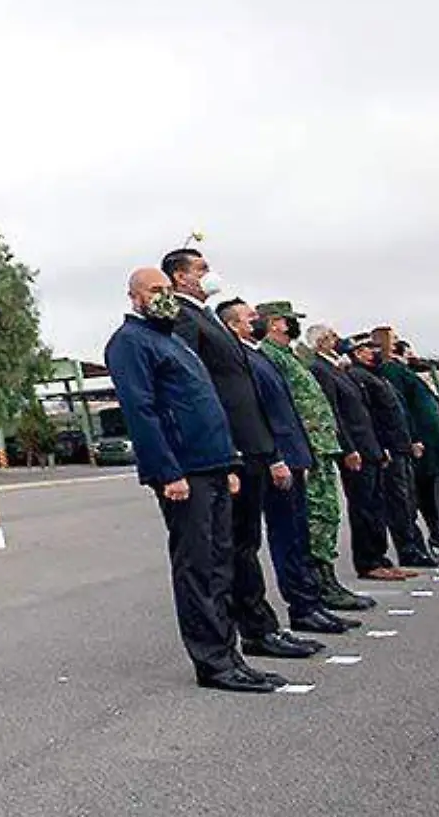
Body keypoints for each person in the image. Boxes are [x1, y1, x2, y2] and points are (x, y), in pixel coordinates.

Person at [105, 268, 288, 692]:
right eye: (155, 290)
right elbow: (142, 411)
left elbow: (204, 404)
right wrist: (168, 471)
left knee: (221, 563)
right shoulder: (130, 343)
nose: (164, 296)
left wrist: (227, 465)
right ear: (134, 298)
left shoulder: (172, 341)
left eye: (168, 290)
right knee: (198, 567)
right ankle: (212, 662)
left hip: (213, 466)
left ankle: (230, 655)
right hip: (184, 473)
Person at [162, 249, 318, 659]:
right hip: (232, 449)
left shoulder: (206, 315)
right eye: (200, 269)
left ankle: (260, 625)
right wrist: (227, 449)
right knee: (237, 547)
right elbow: (198, 388)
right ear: (179, 278)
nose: (208, 275)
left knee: (246, 541)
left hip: (251, 446)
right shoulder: (183, 316)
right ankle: (254, 628)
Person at [218, 301, 359, 634]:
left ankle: (310, 603)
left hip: (294, 454)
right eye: (250, 318)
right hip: (276, 457)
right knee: (286, 536)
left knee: (298, 533)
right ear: (234, 326)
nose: (257, 322)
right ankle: (301, 605)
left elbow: (287, 408)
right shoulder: (245, 358)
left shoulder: (261, 355)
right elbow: (261, 413)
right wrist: (277, 456)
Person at [253, 303, 375, 610]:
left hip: (320, 445)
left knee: (328, 513)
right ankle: (319, 585)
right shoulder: (270, 355)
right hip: (307, 447)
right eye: (288, 322)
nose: (293, 327)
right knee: (317, 516)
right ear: (275, 323)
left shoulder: (291, 355)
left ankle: (327, 579)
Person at [305, 324, 411, 581]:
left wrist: (379, 447)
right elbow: (335, 413)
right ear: (320, 342)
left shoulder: (338, 369)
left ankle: (380, 557)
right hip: (355, 450)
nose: (336, 340)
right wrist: (348, 449)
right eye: (330, 337)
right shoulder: (320, 369)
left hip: (370, 446)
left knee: (376, 506)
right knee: (363, 508)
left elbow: (363, 412)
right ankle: (368, 561)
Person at [346, 334, 439, 569]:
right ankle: (408, 550)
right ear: (358, 353)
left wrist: (410, 440)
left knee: (408, 501)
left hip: (400, 446)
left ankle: (416, 547)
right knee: (398, 503)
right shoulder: (360, 377)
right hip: (388, 448)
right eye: (370, 348)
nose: (375, 352)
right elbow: (371, 418)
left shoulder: (378, 376)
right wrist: (383, 447)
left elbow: (398, 413)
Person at [382, 336, 439, 555]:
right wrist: (413, 438)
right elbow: (402, 405)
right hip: (423, 439)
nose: (412, 354)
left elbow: (427, 401)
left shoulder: (408, 372)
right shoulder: (393, 371)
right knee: (429, 491)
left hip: (434, 437)